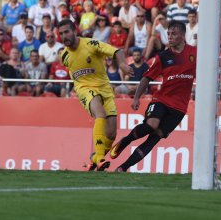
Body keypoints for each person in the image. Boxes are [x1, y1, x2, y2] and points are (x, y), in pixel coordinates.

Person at [110, 20, 196, 172]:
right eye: (168, 34)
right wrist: (136, 98)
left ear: (183, 35)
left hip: (180, 107)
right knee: (152, 125)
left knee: (156, 136)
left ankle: (123, 167)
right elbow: (146, 78)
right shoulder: (163, 56)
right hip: (161, 99)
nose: (169, 37)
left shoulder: (194, 54)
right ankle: (126, 141)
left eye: (173, 34)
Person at [58, 19, 133, 171]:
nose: (64, 36)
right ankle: (99, 159)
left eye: (66, 32)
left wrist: (122, 64)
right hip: (84, 88)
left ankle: (95, 157)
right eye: (61, 33)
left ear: (74, 31)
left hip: (104, 88)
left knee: (111, 134)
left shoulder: (91, 44)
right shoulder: (64, 56)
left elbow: (117, 51)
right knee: (100, 113)